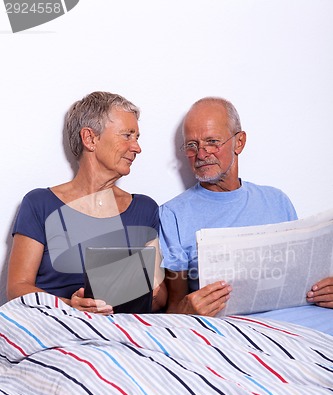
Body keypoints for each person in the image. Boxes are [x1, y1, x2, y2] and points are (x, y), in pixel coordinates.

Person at [159, 96, 333, 325]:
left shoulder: (277, 201)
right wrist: (187, 310)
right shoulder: (173, 215)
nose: (201, 154)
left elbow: (302, 279)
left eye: (212, 142)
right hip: (234, 332)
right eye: (192, 145)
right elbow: (173, 309)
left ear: (239, 142)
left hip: (304, 325)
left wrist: (325, 290)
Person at [7, 91, 167, 314]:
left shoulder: (144, 209)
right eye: (127, 135)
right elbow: (17, 288)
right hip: (56, 323)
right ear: (90, 139)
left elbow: (160, 300)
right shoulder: (40, 204)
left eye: (137, 137)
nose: (137, 148)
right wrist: (70, 306)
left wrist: (142, 289)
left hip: (121, 331)